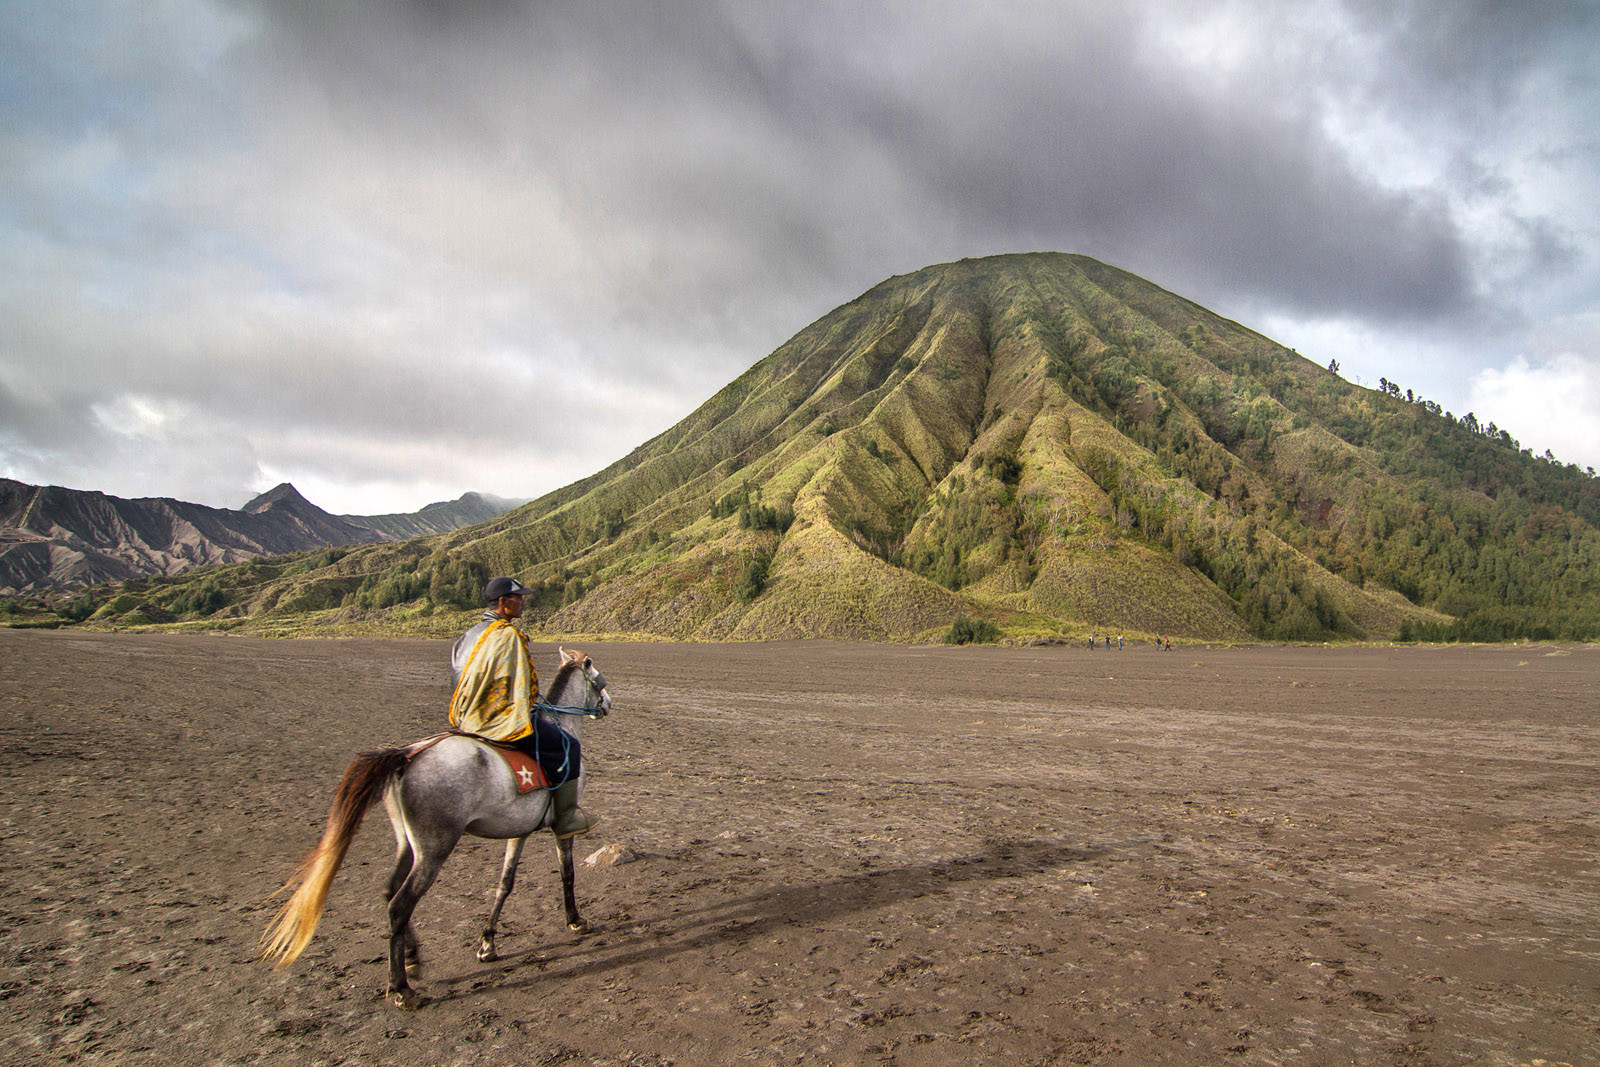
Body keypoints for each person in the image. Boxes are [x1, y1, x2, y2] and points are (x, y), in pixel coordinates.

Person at [449, 576, 598, 838]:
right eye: (519, 598)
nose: (522, 603)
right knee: (568, 745)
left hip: (465, 717)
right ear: (504, 602)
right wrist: (528, 706)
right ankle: (566, 818)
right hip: (496, 718)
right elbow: (520, 681)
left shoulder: (469, 635)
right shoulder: (508, 635)